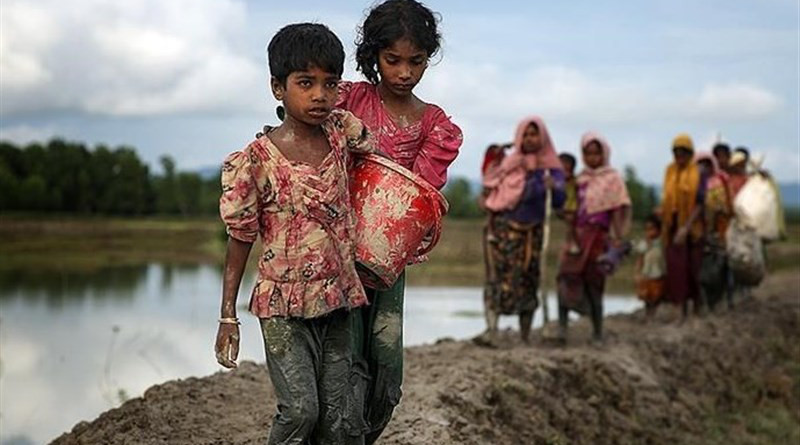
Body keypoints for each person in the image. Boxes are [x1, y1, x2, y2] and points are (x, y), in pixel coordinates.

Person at [215, 23, 376, 445]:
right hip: (283, 307)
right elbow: (241, 238)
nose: (320, 95)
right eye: (306, 83)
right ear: (277, 88)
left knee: (336, 419)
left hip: (339, 299)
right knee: (301, 411)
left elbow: (379, 167)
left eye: (329, 83)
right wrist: (228, 315)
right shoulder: (253, 162)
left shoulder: (342, 133)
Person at [334, 1, 463, 443]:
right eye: (393, 60)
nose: (405, 72)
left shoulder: (434, 125)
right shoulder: (346, 100)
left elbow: (417, 195)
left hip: (389, 259)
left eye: (416, 61)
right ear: (373, 57)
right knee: (345, 352)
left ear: (429, 59)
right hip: (335, 252)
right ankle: (343, 434)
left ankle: (367, 433)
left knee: (386, 354)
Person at [479, 116, 566, 345]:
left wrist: (552, 187)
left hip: (532, 233)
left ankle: (525, 336)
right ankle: (492, 331)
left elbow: (559, 200)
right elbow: (490, 186)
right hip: (502, 230)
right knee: (497, 278)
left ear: (543, 137)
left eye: (534, 134)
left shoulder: (551, 169)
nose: (529, 139)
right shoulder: (509, 164)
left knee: (529, 279)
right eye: (525, 134)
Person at [556, 132, 631, 343]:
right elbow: (570, 207)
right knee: (565, 278)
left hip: (598, 238)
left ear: (604, 154)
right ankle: (562, 329)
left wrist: (617, 238)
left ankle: (597, 332)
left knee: (594, 285)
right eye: (587, 154)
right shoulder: (580, 180)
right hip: (577, 237)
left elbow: (618, 210)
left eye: (596, 154)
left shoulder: (613, 180)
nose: (592, 158)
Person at [661, 133, 705, 320]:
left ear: (690, 154)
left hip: (691, 227)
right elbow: (667, 197)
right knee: (676, 271)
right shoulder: (669, 171)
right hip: (672, 225)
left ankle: (697, 306)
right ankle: (680, 310)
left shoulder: (698, 173)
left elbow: (700, 202)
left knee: (693, 269)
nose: (680, 157)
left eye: (684, 153)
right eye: (676, 153)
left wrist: (686, 227)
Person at [696, 153, 733, 310]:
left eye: (707, 164)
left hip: (721, 228)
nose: (704, 167)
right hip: (700, 229)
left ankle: (725, 297)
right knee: (702, 264)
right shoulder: (694, 184)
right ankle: (704, 301)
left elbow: (728, 202)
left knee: (723, 263)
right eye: (700, 164)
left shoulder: (721, 180)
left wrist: (722, 211)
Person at [634, 214, 666, 322]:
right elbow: (640, 258)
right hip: (647, 273)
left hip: (658, 273)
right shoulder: (644, 243)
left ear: (659, 230)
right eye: (647, 229)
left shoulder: (662, 242)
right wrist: (638, 273)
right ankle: (648, 315)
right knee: (647, 296)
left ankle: (653, 314)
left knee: (657, 296)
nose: (649, 232)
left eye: (652, 229)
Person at [558, 152, 580, 254]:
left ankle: (571, 243)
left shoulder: (574, 180)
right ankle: (571, 243)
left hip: (572, 205)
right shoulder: (558, 178)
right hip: (563, 204)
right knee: (570, 225)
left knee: (571, 224)